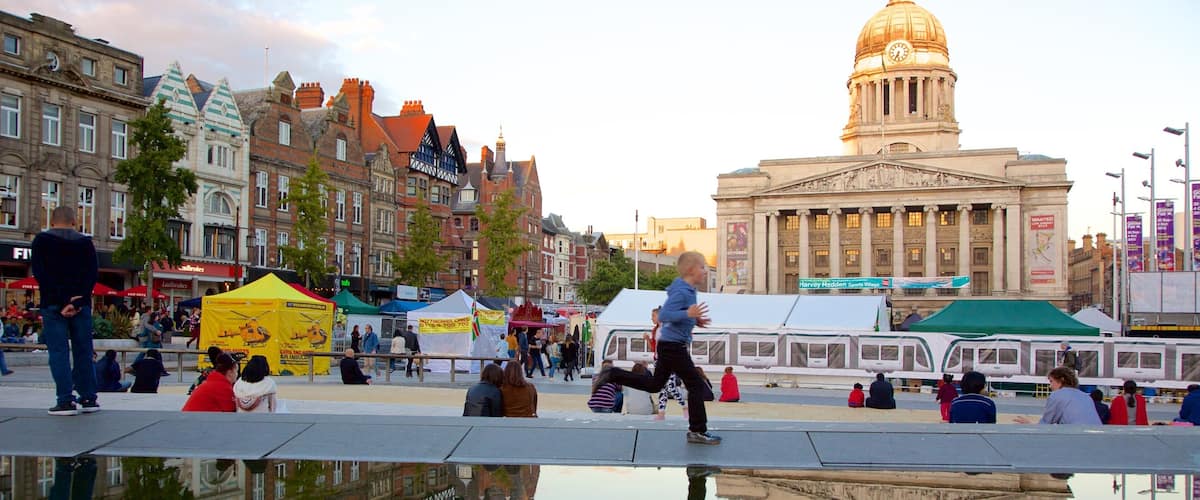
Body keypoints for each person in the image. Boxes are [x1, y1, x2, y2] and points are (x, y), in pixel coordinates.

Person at [592, 252, 721, 444]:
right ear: (691, 270)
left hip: (670, 346)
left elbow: (677, 315)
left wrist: (695, 319)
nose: (705, 271)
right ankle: (697, 430)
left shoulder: (688, 290)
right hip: (673, 346)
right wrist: (688, 313)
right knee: (695, 384)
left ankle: (612, 374)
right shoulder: (682, 292)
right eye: (703, 267)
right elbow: (665, 314)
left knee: (655, 385)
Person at [33, 206, 100, 415]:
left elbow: (41, 274)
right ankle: (88, 397)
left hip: (53, 305)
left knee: (59, 352)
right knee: (83, 351)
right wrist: (77, 302)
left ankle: (65, 400)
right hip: (81, 305)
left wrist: (62, 301)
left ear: (52, 222)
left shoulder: (42, 241)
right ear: (74, 222)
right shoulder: (85, 243)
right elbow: (91, 274)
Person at [1014, 367, 1102, 425]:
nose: (1050, 386)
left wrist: (1029, 425)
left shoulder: (1057, 395)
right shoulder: (1086, 396)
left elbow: (1045, 424)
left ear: (1061, 380)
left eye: (1051, 381)